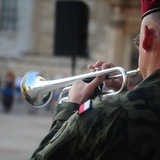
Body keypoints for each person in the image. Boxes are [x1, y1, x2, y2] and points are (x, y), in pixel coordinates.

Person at [30, 0, 160, 159]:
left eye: (137, 42)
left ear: (147, 37)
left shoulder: (108, 113)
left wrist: (69, 109)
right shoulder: (119, 109)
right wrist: (128, 93)